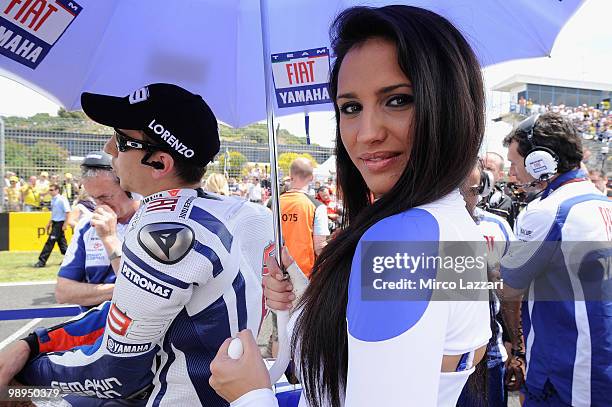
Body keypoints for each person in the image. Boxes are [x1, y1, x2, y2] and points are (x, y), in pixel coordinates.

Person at [209, 6, 491, 406]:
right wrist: (305, 295)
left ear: (448, 106)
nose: (367, 133)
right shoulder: (453, 223)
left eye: (398, 100)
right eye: (351, 107)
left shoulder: (401, 241)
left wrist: (249, 394)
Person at [0, 83, 272, 406]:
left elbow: (116, 372)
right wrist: (35, 342)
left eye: (120, 140)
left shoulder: (164, 230)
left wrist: (27, 374)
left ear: (160, 163)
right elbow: (122, 312)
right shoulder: (249, 213)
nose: (109, 149)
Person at [500, 112, 612, 406]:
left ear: (541, 162)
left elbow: (509, 287)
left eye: (515, 163)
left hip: (568, 372)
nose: (514, 173)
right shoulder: (602, 202)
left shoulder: (547, 211)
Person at [458, 164, 516, 407]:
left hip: (488, 353)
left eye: (470, 190)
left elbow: (513, 290)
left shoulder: (497, 226)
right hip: (433, 357)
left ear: (484, 186)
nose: (461, 199)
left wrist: (516, 343)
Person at [55, 151, 140, 310]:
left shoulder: (151, 221)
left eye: (106, 196)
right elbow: (63, 292)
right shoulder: (87, 225)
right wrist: (121, 290)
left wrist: (109, 239)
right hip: (94, 329)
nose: (99, 205)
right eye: (93, 198)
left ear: (130, 188)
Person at [278, 158, 329, 278]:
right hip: (303, 273)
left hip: (275, 272)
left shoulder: (273, 203)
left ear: (290, 176)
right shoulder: (317, 206)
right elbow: (320, 247)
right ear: (311, 177)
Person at [34, 183, 70, 268]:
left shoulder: (62, 199)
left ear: (57, 190)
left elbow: (68, 212)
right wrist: (49, 223)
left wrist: (65, 224)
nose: (50, 192)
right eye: (49, 190)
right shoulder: (53, 200)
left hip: (60, 223)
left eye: (51, 190)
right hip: (55, 223)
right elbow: (54, 213)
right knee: (62, 244)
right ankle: (70, 259)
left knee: (50, 242)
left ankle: (42, 261)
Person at [482, 152, 516, 227]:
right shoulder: (463, 196)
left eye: (489, 169)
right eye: (480, 167)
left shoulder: (505, 201)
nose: (483, 172)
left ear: (500, 175)